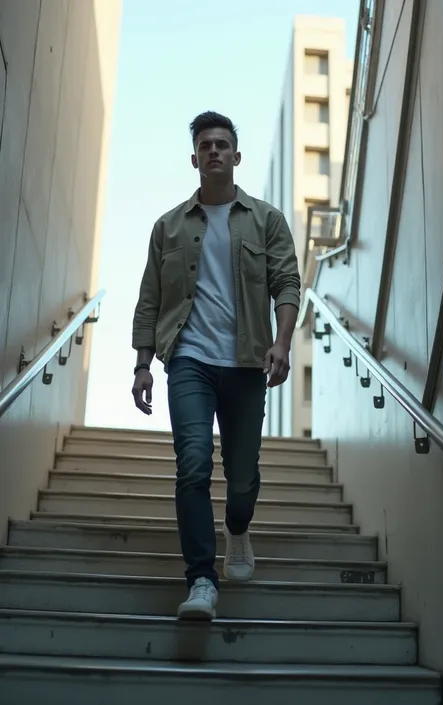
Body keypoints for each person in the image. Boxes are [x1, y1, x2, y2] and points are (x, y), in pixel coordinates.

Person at [131, 111, 301, 620]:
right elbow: (150, 299)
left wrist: (283, 343)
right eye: (205, 145)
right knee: (193, 462)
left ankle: (238, 529)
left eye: (222, 144)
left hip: (248, 360)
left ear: (235, 156)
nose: (213, 151)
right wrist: (142, 364)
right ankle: (202, 578)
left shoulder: (266, 220)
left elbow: (287, 283)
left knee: (243, 476)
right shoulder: (168, 226)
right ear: (194, 159)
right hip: (188, 359)